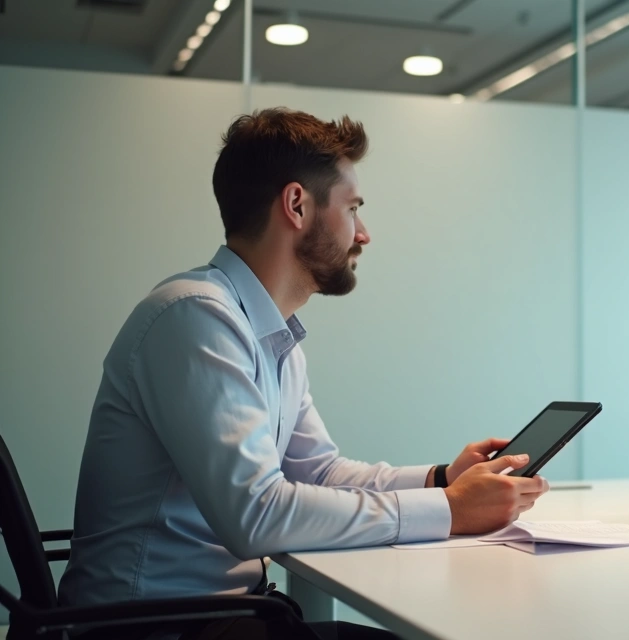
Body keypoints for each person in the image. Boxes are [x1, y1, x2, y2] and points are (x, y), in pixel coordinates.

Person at [58, 108, 549, 639]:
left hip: (224, 617)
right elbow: (257, 515)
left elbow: (318, 472)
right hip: (154, 629)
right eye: (353, 209)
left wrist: (440, 481)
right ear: (296, 205)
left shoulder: (272, 335)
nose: (363, 235)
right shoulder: (195, 318)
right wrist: (448, 511)